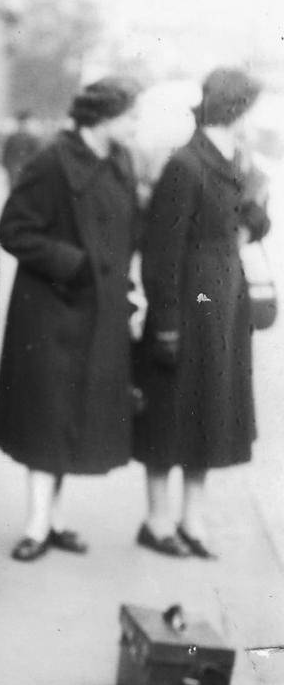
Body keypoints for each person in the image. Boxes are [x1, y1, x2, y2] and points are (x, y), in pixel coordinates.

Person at [0, 78, 141, 560]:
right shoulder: (53, 160)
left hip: (97, 312)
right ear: (105, 116)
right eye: (130, 116)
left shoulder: (118, 162)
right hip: (52, 310)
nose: (135, 126)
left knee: (72, 418)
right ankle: (35, 525)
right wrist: (72, 264)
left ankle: (54, 521)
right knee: (47, 418)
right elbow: (12, 229)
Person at [132, 67, 269, 558]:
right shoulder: (186, 165)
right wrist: (166, 323)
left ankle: (192, 519)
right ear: (235, 109)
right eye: (251, 108)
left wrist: (257, 206)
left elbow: (249, 226)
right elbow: (160, 251)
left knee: (207, 411)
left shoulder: (238, 162)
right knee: (169, 413)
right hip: (187, 306)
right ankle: (156, 519)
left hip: (224, 306)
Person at [1, 110, 41, 187]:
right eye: (21, 123)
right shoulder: (11, 138)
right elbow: (6, 153)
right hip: (14, 168)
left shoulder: (32, 139)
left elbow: (36, 155)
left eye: (24, 123)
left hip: (27, 168)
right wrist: (8, 166)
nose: (22, 126)